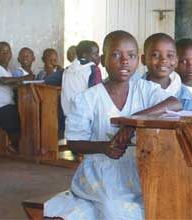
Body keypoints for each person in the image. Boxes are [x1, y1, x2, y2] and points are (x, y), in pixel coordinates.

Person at [44, 30, 182, 220]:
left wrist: (130, 122)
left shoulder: (144, 89)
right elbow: (74, 142)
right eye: (116, 55)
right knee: (114, 209)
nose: (125, 61)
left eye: (131, 56)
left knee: (165, 201)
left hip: (139, 168)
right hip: (101, 171)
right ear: (103, 59)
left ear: (137, 60)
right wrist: (104, 147)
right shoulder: (88, 98)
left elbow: (175, 103)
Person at [0, 42, 35, 152]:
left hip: (7, 107)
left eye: (8, 52)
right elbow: (3, 81)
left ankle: (23, 147)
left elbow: (13, 85)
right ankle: (16, 147)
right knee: (18, 119)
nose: (6, 54)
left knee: (28, 114)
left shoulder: (7, 71)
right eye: (2, 52)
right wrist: (25, 78)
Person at [141, 33, 192, 110]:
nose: (164, 60)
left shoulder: (186, 98)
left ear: (176, 61)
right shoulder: (134, 90)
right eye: (155, 55)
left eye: (170, 55)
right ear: (144, 59)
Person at [61, 40, 102, 116]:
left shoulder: (67, 69)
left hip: (67, 114)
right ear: (84, 55)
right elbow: (97, 95)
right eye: (95, 54)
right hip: (85, 115)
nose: (98, 57)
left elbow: (49, 80)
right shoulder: (94, 70)